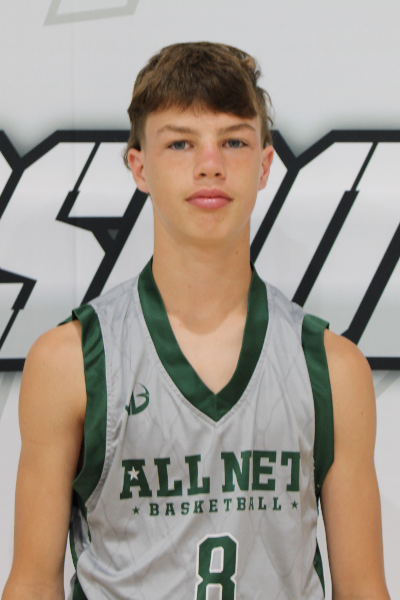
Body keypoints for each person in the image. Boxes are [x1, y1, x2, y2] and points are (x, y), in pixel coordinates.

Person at [2, 42, 390, 600]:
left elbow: (364, 588)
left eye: (234, 141)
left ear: (264, 165)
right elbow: (33, 583)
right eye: (180, 142)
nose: (210, 164)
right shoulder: (71, 361)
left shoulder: (331, 368)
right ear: (139, 166)